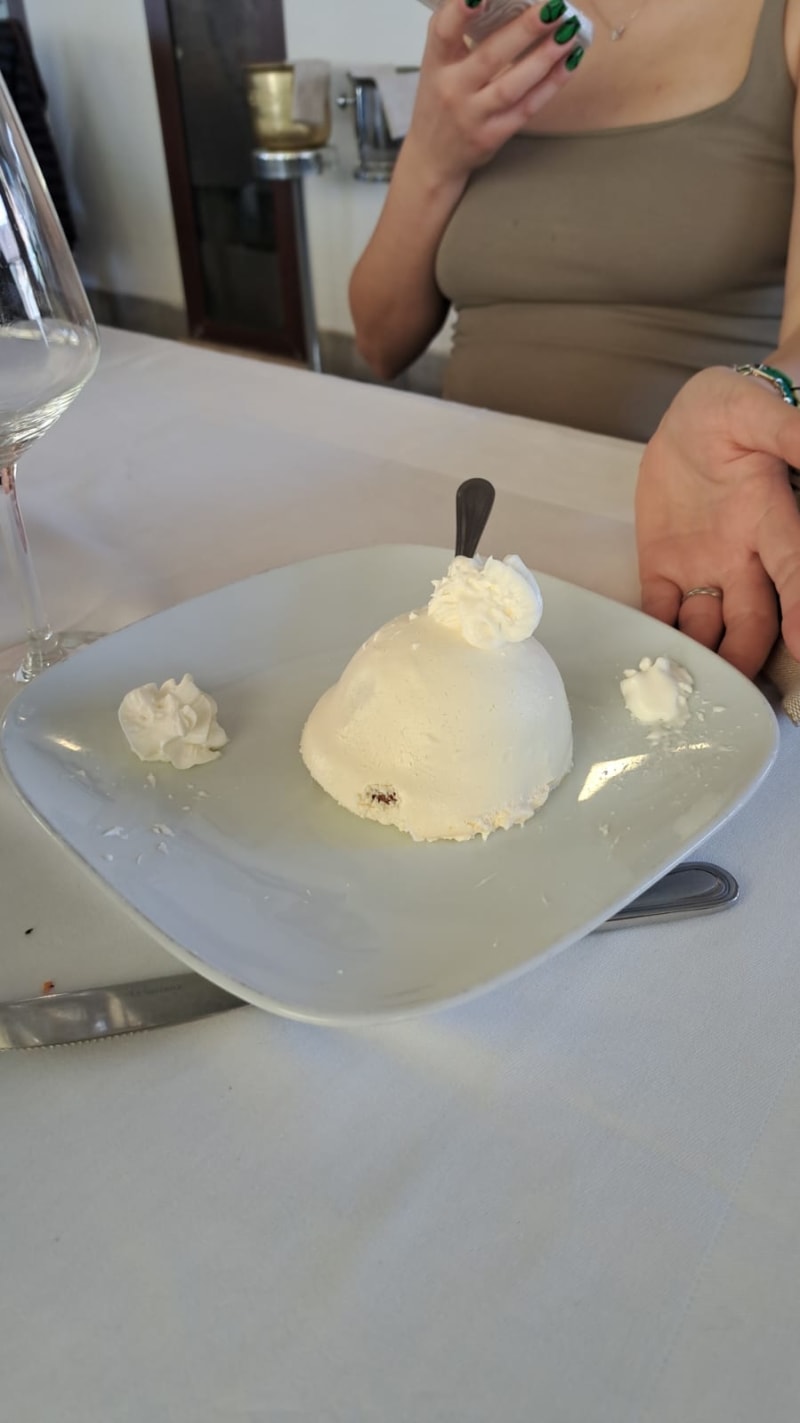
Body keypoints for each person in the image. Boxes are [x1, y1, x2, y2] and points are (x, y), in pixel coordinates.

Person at [349, 0, 800, 681]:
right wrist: (432, 156)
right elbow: (380, 341)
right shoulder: (496, 21)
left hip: (679, 545)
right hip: (455, 540)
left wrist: (764, 390)